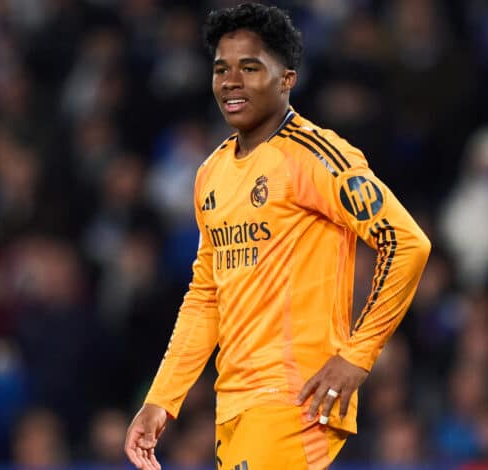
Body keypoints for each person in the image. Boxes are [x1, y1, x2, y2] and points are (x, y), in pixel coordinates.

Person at [124, 3, 431, 469]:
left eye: (250, 68)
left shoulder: (315, 155)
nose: (231, 81)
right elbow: (207, 296)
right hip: (236, 406)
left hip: (295, 400)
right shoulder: (211, 174)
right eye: (221, 69)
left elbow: (407, 242)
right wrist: (162, 398)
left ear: (286, 79)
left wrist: (356, 356)